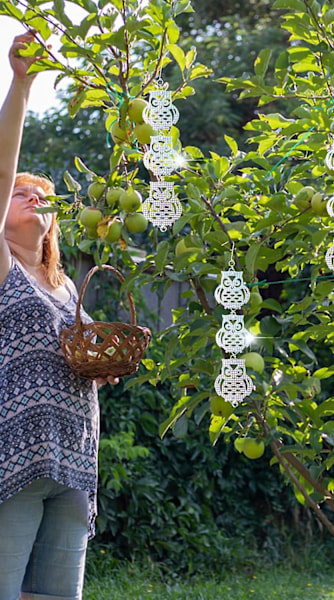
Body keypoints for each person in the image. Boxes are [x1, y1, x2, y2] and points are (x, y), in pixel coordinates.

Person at [0, 33, 115, 600]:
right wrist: (22, 83)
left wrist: (103, 364)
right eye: (22, 193)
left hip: (73, 456)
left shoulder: (67, 285)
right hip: (12, 454)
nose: (35, 197)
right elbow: (1, 173)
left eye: (43, 195)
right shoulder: (2, 270)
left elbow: (81, 355)